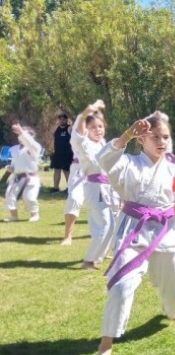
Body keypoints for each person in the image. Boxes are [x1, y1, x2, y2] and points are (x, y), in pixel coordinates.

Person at [92, 111, 175, 355]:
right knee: (122, 285)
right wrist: (126, 134)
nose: (162, 142)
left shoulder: (174, 171)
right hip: (134, 231)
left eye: (166, 137)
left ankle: (170, 308)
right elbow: (104, 158)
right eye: (156, 137)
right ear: (142, 139)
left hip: (165, 230)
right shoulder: (127, 163)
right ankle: (106, 345)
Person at [72, 101, 119, 270]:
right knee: (105, 224)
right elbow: (78, 134)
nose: (98, 130)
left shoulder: (102, 145)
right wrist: (85, 114)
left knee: (111, 224)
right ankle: (90, 260)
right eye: (93, 127)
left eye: (100, 126)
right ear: (87, 129)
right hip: (95, 187)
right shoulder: (84, 144)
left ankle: (101, 253)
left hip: (107, 188)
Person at [4, 125, 42, 222]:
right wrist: (11, 168)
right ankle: (14, 216)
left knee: (29, 197)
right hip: (17, 177)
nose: (21, 137)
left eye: (23, 135)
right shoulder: (14, 149)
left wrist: (22, 132)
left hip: (31, 178)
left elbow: (30, 143)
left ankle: (34, 214)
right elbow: (15, 162)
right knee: (9, 195)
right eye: (19, 135)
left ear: (31, 137)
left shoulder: (35, 147)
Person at [61, 154, 85, 245]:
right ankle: (67, 236)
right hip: (79, 168)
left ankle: (105, 243)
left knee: (105, 205)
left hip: (99, 168)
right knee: (74, 198)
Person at [51, 113, 74, 192]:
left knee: (66, 171)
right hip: (57, 153)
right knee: (56, 170)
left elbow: (75, 126)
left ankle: (70, 188)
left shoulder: (69, 128)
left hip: (67, 154)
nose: (62, 120)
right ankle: (55, 188)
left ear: (67, 120)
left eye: (64, 119)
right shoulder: (56, 129)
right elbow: (53, 136)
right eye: (60, 119)